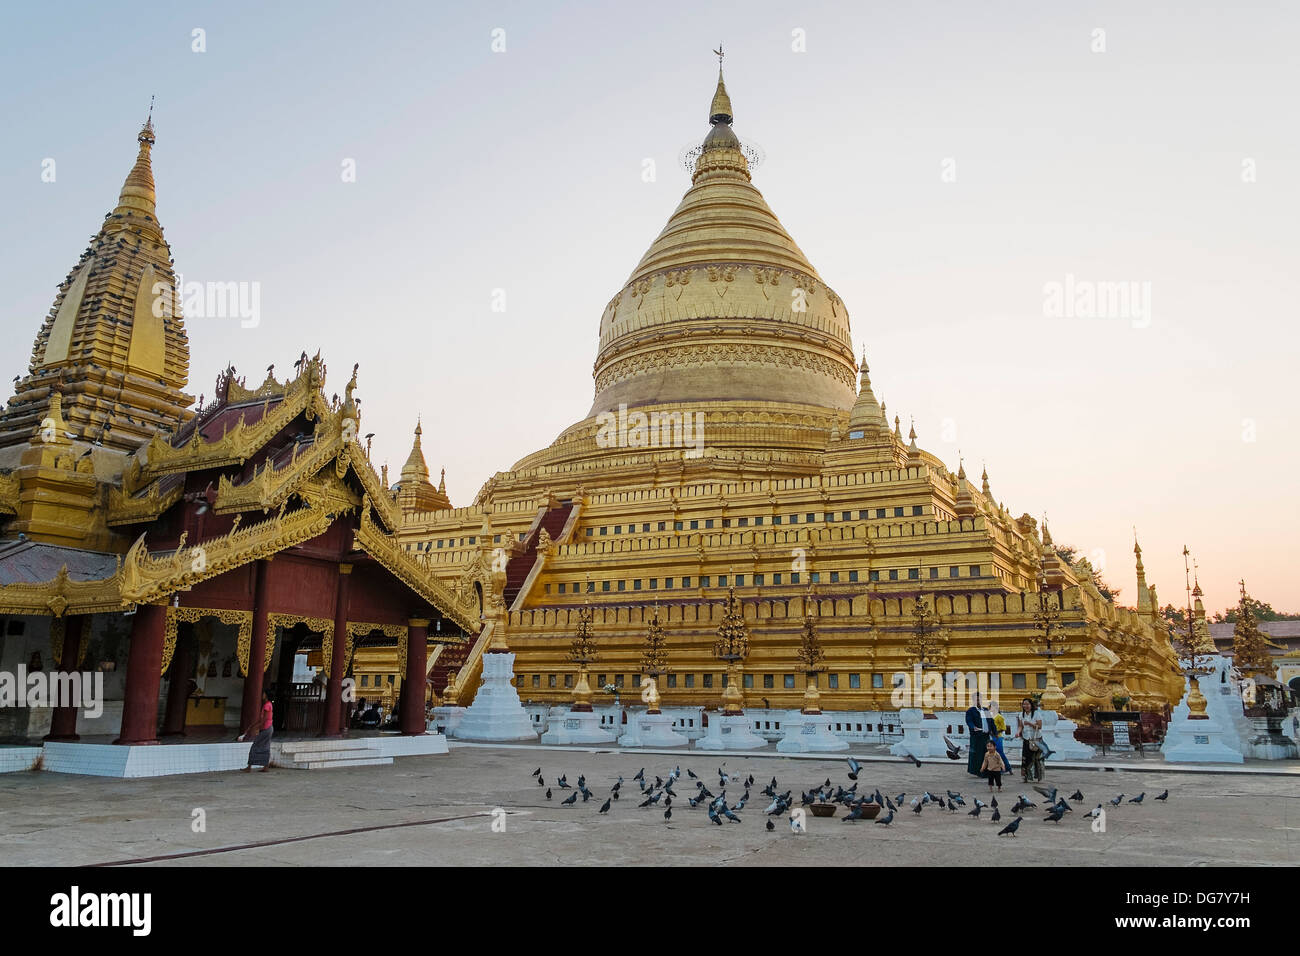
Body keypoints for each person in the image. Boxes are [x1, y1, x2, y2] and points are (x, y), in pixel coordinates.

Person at [240, 690, 274, 773]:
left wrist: (257, 728)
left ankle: (249, 767)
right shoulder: (268, 705)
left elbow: (264, 719)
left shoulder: (266, 705)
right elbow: (261, 719)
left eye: (263, 694)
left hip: (265, 729)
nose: (262, 695)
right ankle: (265, 766)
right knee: (266, 747)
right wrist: (253, 725)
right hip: (269, 728)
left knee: (255, 746)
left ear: (266, 695)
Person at [964, 693, 994, 777]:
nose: (978, 701)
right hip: (976, 736)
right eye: (976, 699)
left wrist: (994, 732)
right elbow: (969, 721)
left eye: (979, 699)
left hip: (986, 736)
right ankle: (979, 771)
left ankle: (987, 770)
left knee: (987, 753)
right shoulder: (970, 711)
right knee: (978, 754)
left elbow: (991, 722)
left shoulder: (986, 710)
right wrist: (973, 727)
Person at [1016, 697, 1044, 782]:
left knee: (1037, 759)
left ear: (1031, 705)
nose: (1026, 706)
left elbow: (1039, 726)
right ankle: (1026, 777)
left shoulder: (1036, 714)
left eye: (1027, 704)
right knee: (1025, 758)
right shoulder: (1021, 715)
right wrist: (1018, 732)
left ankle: (1038, 776)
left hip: (1036, 739)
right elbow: (1021, 726)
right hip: (1026, 739)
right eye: (1024, 704)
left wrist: (1029, 723)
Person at [989, 699, 1012, 780]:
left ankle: (1006, 767)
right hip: (992, 736)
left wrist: (995, 732)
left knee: (1000, 753)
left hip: (998, 736)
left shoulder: (999, 717)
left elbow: (1003, 728)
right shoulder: (990, 716)